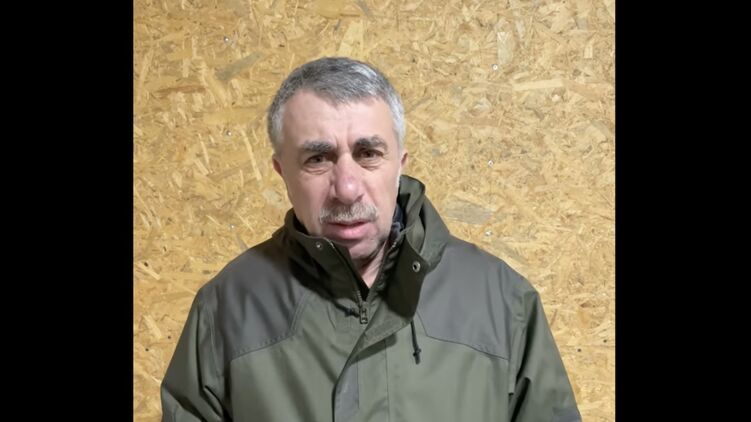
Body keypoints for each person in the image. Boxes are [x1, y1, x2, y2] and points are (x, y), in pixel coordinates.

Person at [161, 56, 581, 422]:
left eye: (368, 154)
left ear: (400, 163)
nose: (347, 189)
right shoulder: (225, 309)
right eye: (318, 158)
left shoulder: (504, 302)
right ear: (281, 172)